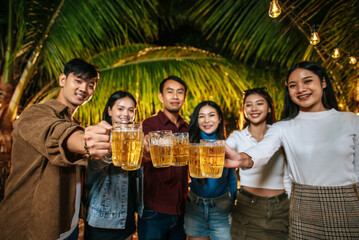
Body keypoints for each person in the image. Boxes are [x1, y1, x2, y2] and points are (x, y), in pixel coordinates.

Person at [225, 61, 359, 239]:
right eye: (293, 85)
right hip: (303, 211)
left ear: (324, 82)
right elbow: (263, 151)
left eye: (307, 81)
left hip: (348, 208)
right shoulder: (283, 127)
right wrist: (243, 159)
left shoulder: (351, 121)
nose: (300, 89)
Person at [0, 58, 112, 240]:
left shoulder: (74, 123)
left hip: (69, 226)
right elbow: (57, 133)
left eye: (90, 85)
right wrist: (87, 141)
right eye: (78, 80)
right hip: (33, 229)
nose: (84, 89)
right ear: (62, 80)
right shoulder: (35, 113)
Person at [226, 88, 291, 240]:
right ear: (244, 110)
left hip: (280, 208)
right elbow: (224, 149)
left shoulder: (280, 133)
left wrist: (292, 202)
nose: (253, 108)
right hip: (248, 207)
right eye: (248, 105)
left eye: (259, 103)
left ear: (269, 108)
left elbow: (289, 174)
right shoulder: (237, 137)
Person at [85, 90, 143, 240]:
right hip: (102, 219)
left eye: (131, 110)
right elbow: (94, 166)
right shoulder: (98, 138)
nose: (126, 114)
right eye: (121, 108)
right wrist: (110, 149)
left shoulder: (134, 138)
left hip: (127, 216)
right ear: (110, 110)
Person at [138, 76, 188, 240]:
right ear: (161, 96)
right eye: (170, 91)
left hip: (182, 211)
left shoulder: (188, 128)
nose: (175, 96)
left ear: (184, 97)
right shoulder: (149, 125)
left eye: (180, 92)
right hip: (154, 210)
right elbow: (142, 156)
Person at [184, 101, 237, 240]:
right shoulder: (189, 144)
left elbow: (231, 177)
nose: (206, 120)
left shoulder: (227, 145)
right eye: (201, 116)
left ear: (219, 119)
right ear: (197, 120)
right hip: (194, 206)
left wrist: (233, 203)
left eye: (211, 115)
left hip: (221, 207)